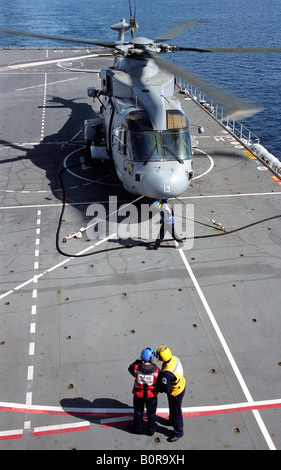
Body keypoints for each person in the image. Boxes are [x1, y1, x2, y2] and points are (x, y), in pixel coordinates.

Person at [156, 345, 186, 442]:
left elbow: (165, 388)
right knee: (173, 408)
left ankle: (178, 432)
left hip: (175, 392)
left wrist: (157, 388)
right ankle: (172, 420)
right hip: (181, 385)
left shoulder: (167, 373)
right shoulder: (174, 358)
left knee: (177, 411)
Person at [128, 347, 160, 436]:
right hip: (151, 395)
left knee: (138, 412)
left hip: (138, 395)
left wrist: (137, 362)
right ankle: (151, 429)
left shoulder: (136, 367)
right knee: (151, 413)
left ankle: (138, 428)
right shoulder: (156, 370)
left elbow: (130, 369)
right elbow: (159, 380)